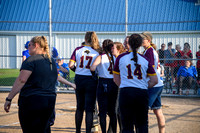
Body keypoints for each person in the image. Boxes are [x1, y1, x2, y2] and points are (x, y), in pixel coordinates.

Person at [4, 36, 58, 133]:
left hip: (32, 101)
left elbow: (21, 80)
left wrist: (9, 98)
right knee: (44, 129)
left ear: (36, 45)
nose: (27, 48)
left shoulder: (31, 60)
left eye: (29, 45)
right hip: (50, 101)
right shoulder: (51, 61)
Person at [113, 33, 158, 132]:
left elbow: (116, 79)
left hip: (126, 92)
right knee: (142, 124)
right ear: (140, 44)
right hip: (141, 93)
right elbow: (154, 81)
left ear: (129, 43)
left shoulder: (120, 58)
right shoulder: (145, 59)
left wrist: (125, 86)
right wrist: (144, 85)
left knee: (127, 125)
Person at [68, 31, 101, 133]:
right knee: (89, 109)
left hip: (79, 79)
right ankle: (87, 131)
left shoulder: (78, 49)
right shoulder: (97, 51)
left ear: (85, 39)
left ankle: (77, 131)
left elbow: (70, 65)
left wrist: (78, 70)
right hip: (91, 79)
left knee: (79, 107)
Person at [90, 39, 118, 133]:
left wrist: (95, 75)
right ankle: (114, 131)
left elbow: (92, 67)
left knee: (102, 112)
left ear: (103, 47)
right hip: (114, 83)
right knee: (112, 112)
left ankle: (104, 131)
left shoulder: (101, 57)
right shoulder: (115, 56)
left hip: (103, 82)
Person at [141, 31, 165, 133]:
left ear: (149, 40)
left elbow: (149, 67)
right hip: (158, 84)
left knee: (143, 111)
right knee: (157, 110)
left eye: (143, 39)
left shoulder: (149, 51)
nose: (141, 40)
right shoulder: (149, 50)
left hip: (153, 85)